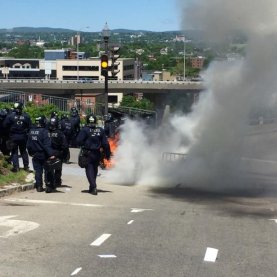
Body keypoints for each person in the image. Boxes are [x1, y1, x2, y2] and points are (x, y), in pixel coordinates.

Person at [76, 113, 111, 195]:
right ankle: (92, 187)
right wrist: (108, 154)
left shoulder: (85, 130)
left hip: (88, 153)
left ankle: (93, 186)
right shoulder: (100, 130)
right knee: (94, 169)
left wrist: (84, 143)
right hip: (97, 153)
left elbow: (78, 141)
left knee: (89, 169)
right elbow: (105, 144)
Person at [26, 115, 55, 192]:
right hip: (44, 154)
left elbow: (28, 144)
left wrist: (30, 152)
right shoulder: (44, 131)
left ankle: (39, 186)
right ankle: (48, 186)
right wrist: (51, 154)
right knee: (47, 170)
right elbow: (47, 145)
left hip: (35, 154)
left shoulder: (31, 131)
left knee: (38, 171)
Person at [3, 101, 32, 172]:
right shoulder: (26, 116)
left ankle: (16, 167)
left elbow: (4, 125)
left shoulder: (10, 116)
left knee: (14, 152)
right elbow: (30, 126)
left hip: (13, 137)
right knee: (23, 151)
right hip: (23, 137)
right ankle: (26, 167)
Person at [47, 116, 68, 188]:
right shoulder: (60, 133)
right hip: (57, 152)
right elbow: (65, 145)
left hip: (48, 152)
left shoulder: (46, 132)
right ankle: (57, 181)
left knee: (47, 168)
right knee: (58, 168)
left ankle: (49, 181)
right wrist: (65, 154)